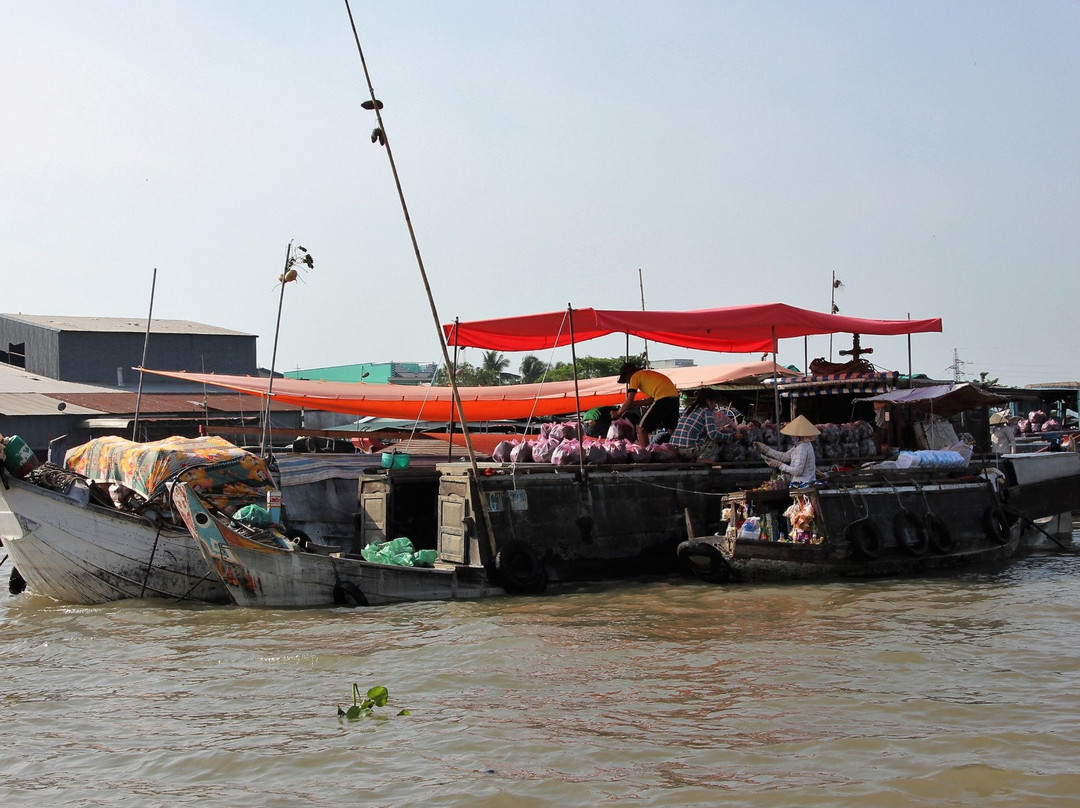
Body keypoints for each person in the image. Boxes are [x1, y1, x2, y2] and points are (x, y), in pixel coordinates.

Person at [613, 362, 680, 448]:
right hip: (674, 399)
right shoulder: (646, 375)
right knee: (671, 428)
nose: (628, 382)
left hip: (663, 399)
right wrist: (635, 403)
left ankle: (645, 454)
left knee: (641, 428)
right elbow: (650, 400)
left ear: (628, 374)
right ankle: (674, 449)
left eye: (626, 380)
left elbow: (629, 401)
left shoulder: (635, 376)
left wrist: (617, 413)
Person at [752, 414, 820, 486]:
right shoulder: (799, 445)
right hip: (801, 482)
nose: (791, 436)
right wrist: (766, 450)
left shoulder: (802, 448)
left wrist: (779, 465)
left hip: (803, 484)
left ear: (799, 435)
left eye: (793, 435)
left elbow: (797, 471)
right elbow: (785, 456)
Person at [670, 388, 725, 462]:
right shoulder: (707, 411)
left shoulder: (689, 408)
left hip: (674, 447)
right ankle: (703, 459)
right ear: (708, 401)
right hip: (687, 450)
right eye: (715, 403)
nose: (715, 406)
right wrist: (730, 436)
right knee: (713, 443)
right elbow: (713, 435)